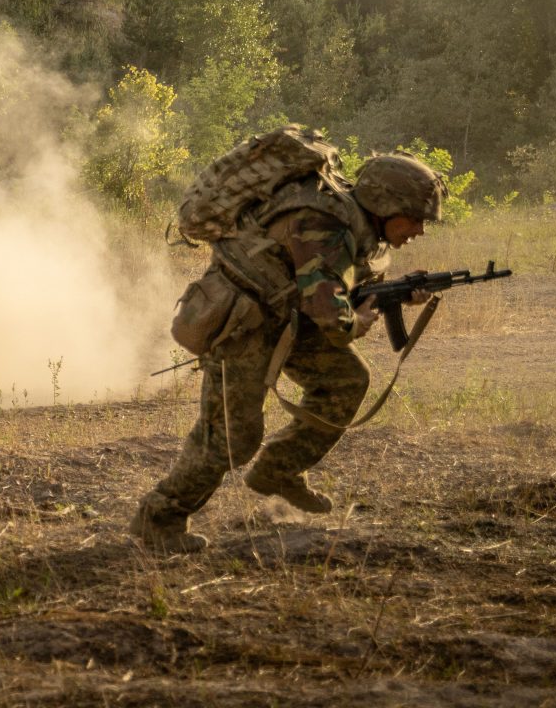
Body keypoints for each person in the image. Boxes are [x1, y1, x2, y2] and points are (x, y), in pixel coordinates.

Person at [129, 151, 444, 553]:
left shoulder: (357, 224)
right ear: (386, 205)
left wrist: (393, 295)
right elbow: (331, 314)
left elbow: (337, 284)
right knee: (232, 437)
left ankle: (278, 470)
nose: (418, 230)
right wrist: (357, 322)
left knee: (346, 380)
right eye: (414, 217)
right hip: (245, 324)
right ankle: (160, 516)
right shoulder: (324, 223)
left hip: (288, 319)